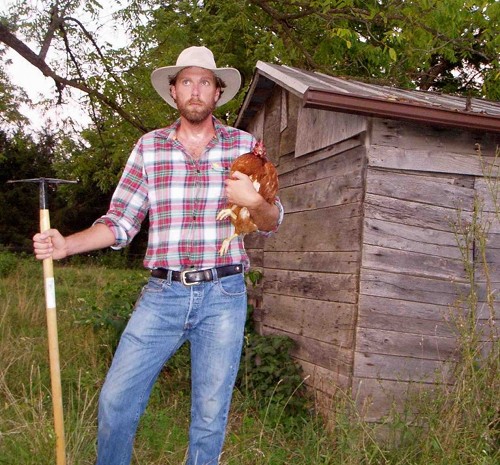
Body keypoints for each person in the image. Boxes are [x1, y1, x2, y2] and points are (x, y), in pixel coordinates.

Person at [33, 46, 283, 465]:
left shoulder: (244, 145)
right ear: (173, 92)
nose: (196, 90)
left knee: (208, 417)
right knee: (115, 400)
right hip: (162, 294)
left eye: (205, 81)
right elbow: (120, 221)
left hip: (223, 294)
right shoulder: (149, 148)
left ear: (218, 93)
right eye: (187, 81)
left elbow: (274, 219)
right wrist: (66, 245)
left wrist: (254, 202)